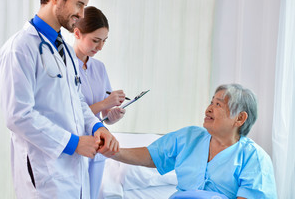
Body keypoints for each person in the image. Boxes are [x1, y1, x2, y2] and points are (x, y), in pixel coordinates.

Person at [0, 0, 119, 198]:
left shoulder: (63, 50)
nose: (82, 14)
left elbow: (77, 100)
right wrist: (73, 143)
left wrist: (97, 127)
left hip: (72, 173)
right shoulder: (20, 49)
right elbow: (18, 115)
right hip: (44, 176)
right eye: (79, 4)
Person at [109, 84, 277, 199]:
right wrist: (112, 151)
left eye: (218, 105)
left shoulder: (255, 158)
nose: (209, 109)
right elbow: (152, 155)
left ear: (240, 118)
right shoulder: (190, 137)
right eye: (211, 102)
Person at [73, 6, 127, 198]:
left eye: (104, 41)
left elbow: (104, 118)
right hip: (76, 145)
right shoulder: (66, 66)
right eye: (95, 40)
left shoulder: (99, 68)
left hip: (97, 146)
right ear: (77, 33)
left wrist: (113, 115)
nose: (100, 47)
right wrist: (105, 103)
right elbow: (71, 111)